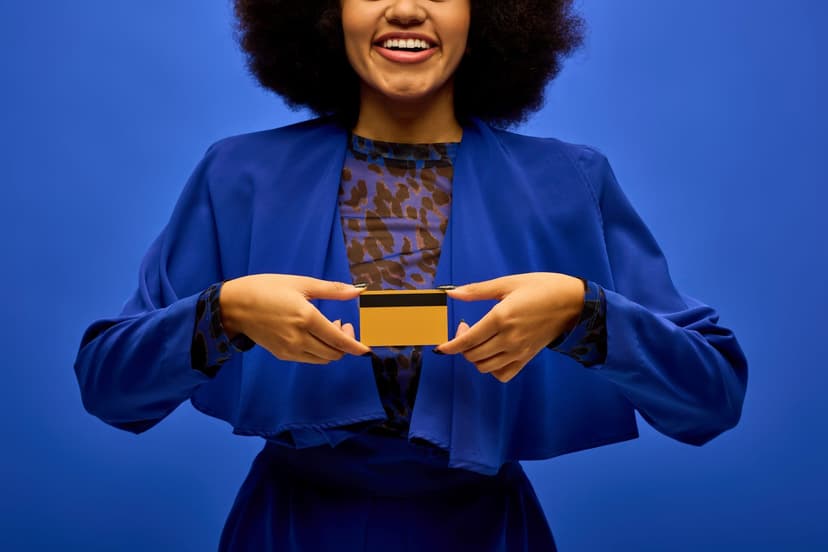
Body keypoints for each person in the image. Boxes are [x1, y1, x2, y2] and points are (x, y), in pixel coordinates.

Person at [73, 0, 749, 549]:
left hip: (488, 534)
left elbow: (711, 397)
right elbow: (110, 388)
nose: (404, 9)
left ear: (487, 13)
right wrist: (224, 315)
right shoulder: (237, 176)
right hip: (289, 532)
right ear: (327, 11)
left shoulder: (570, 181)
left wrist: (583, 313)